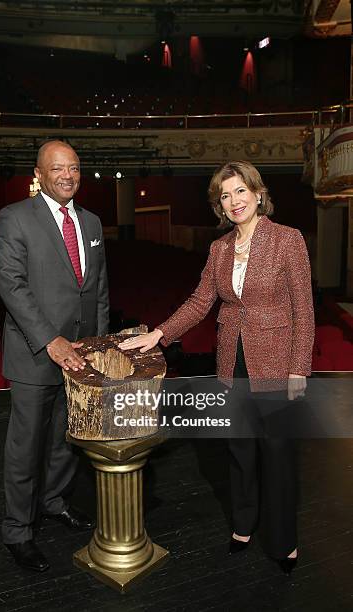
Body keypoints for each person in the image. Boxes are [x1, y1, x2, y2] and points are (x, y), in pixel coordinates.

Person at [119, 160, 314, 575]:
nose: (233, 201)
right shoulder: (220, 248)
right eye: (225, 195)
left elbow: (305, 310)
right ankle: (244, 524)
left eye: (240, 191)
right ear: (220, 206)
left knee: (277, 454)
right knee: (240, 449)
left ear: (258, 194)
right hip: (232, 359)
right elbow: (200, 301)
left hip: (278, 362)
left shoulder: (287, 239)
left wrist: (299, 369)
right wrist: (159, 334)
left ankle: (283, 540)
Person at [0, 140, 109, 572]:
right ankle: (18, 530)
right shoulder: (14, 217)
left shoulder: (93, 222)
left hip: (81, 355)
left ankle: (55, 501)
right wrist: (50, 341)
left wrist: (95, 346)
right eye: (58, 169)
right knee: (26, 446)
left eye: (74, 168)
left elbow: (97, 290)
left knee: (67, 438)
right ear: (39, 173)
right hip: (35, 355)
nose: (68, 176)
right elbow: (11, 286)